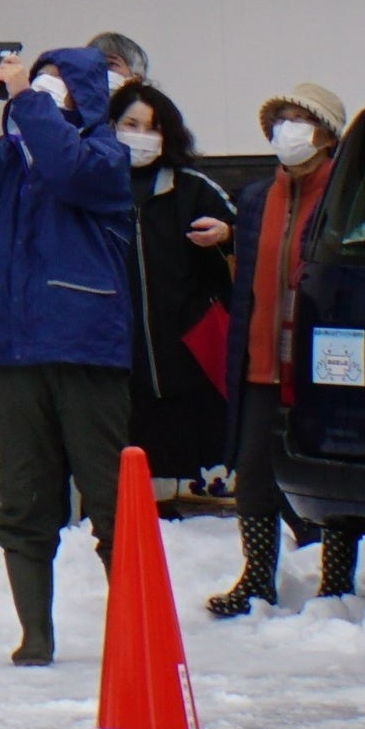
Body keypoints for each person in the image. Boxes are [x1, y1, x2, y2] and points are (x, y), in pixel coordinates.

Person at [0, 43, 132, 665]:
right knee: (24, 499)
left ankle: (134, 627)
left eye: (57, 80)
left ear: (87, 93)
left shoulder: (105, 155)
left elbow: (66, 168)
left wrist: (25, 100)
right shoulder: (10, 159)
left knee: (109, 497)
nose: (42, 86)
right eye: (38, 77)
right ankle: (35, 634)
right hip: (15, 350)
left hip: (87, 350)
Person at [205, 79, 354, 621]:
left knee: (329, 469)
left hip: (322, 362)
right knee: (253, 472)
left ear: (328, 135)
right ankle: (256, 578)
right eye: (281, 121)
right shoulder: (254, 198)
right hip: (260, 359)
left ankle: (336, 583)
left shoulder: (346, 196)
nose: (287, 131)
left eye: (300, 120)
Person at [113, 83, 238, 485]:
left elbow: (245, 234)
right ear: (111, 126)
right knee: (141, 482)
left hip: (195, 361)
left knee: (201, 476)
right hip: (120, 367)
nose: (141, 136)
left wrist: (226, 234)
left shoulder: (193, 188)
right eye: (131, 124)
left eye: (153, 127)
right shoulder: (97, 190)